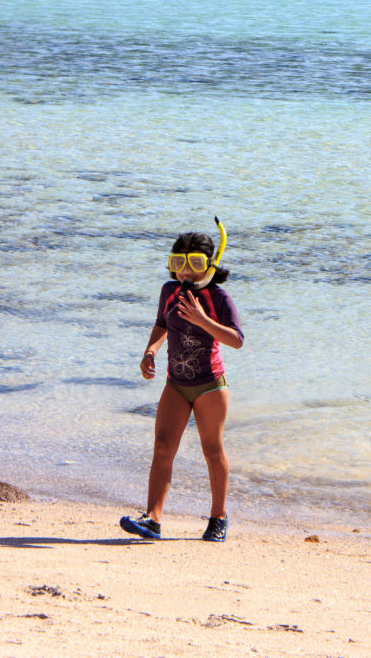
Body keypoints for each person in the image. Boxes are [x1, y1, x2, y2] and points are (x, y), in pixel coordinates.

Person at [120, 221, 244, 543]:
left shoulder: (219, 297)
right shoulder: (168, 291)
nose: (185, 273)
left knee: (212, 449)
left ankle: (218, 518)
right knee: (162, 448)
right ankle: (152, 519)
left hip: (210, 385)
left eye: (195, 265)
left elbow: (237, 340)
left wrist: (202, 320)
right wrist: (150, 350)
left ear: (210, 266)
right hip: (176, 383)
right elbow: (162, 323)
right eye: (179, 264)